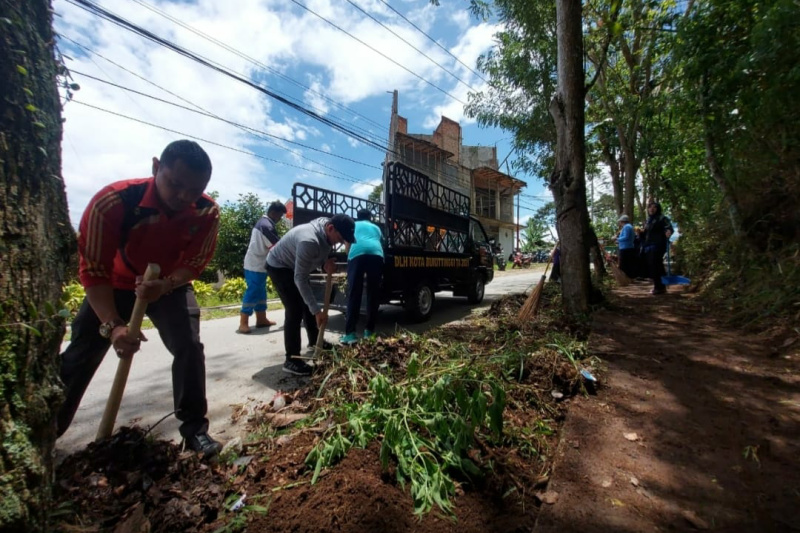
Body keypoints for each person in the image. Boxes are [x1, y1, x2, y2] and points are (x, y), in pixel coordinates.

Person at [58, 140, 223, 457]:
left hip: (168, 285)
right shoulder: (113, 202)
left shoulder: (206, 212)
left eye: (194, 190)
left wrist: (166, 284)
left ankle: (195, 433)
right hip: (113, 285)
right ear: (156, 167)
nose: (183, 198)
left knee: (189, 346)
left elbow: (195, 262)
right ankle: (48, 432)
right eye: (175, 185)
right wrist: (113, 326)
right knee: (80, 355)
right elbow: (93, 271)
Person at [266, 214, 356, 376]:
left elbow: (316, 258)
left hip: (295, 266)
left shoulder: (326, 234)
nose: (340, 243)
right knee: (295, 310)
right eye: (340, 238)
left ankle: (316, 342)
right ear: (330, 228)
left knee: (308, 303)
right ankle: (291, 360)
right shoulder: (309, 240)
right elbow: (300, 278)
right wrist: (317, 311)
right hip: (280, 266)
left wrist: (324, 266)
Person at [237, 201, 287, 334]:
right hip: (255, 265)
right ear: (273, 213)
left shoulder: (264, 223)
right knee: (253, 291)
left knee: (260, 292)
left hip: (258, 264)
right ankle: (243, 322)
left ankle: (261, 319)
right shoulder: (266, 226)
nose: (280, 219)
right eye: (280, 216)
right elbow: (276, 247)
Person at [340, 210, 384, 345]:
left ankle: (350, 334)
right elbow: (380, 242)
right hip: (377, 255)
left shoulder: (353, 225)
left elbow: (348, 244)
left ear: (357, 217)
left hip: (357, 254)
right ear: (370, 218)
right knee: (373, 293)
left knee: (355, 292)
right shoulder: (376, 228)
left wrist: (350, 258)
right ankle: (369, 331)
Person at [641, 201, 674, 295]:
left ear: (658, 209)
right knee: (655, 266)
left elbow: (669, 227)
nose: (652, 209)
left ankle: (659, 287)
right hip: (648, 246)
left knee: (656, 265)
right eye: (650, 207)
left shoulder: (662, 218)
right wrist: (640, 233)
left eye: (654, 207)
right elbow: (646, 233)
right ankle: (659, 286)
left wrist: (668, 232)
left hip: (658, 245)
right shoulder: (648, 220)